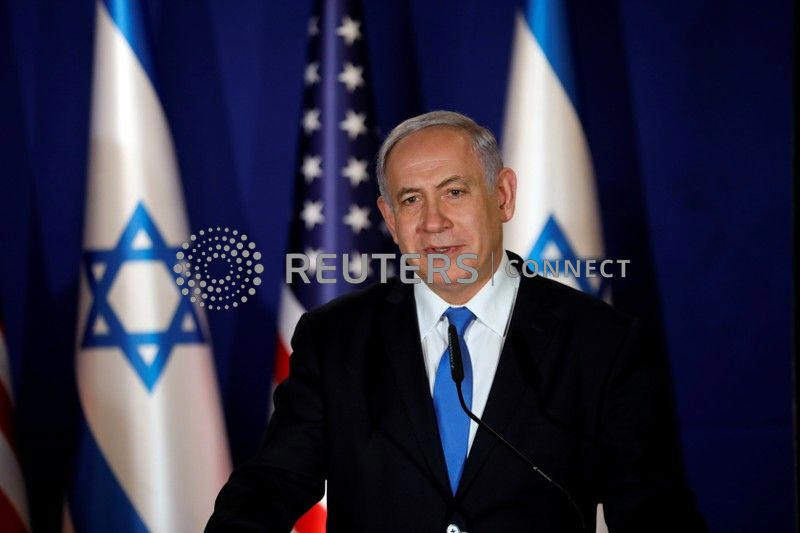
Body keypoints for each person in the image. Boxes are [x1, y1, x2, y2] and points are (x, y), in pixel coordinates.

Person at [206, 111, 705, 532]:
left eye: (455, 192)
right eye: (410, 200)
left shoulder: (601, 342)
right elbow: (270, 486)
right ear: (390, 220)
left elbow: (654, 513)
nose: (433, 222)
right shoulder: (334, 339)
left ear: (503, 195)